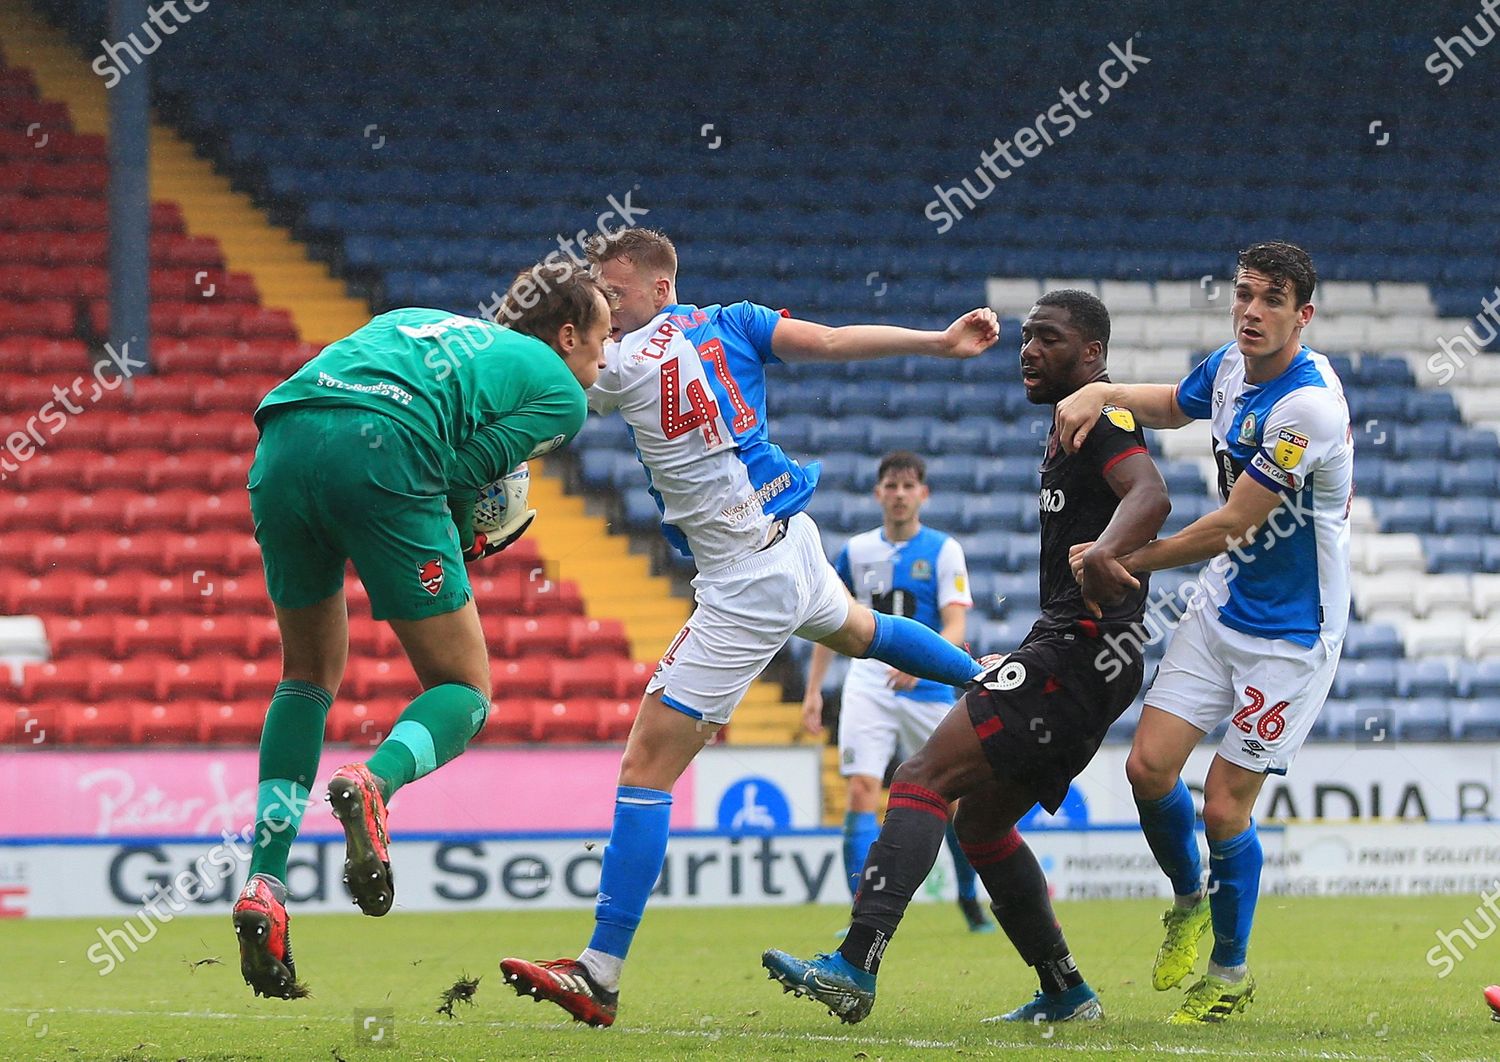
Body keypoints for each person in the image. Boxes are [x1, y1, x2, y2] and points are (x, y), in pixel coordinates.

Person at [500, 228, 999, 1027]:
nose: (603, 306)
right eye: (598, 292)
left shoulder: (620, 361)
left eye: (616, 292)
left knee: (645, 766)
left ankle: (600, 970)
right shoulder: (732, 319)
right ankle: (991, 679)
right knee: (860, 630)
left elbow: (545, 377)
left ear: (660, 290)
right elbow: (832, 341)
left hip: (743, 578)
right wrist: (937, 342)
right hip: (789, 536)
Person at [762, 289, 1171, 1026]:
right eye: (1026, 337)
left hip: (1080, 647)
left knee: (922, 776)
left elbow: (1151, 495)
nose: (1028, 350)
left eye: (1049, 339)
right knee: (980, 824)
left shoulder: (1102, 416)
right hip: (1090, 652)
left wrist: (1106, 552)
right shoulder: (1069, 423)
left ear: (1093, 356)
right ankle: (1066, 991)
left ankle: (854, 965)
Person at [231, 262, 612, 999]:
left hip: (282, 436)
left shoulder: (416, 317)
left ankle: (265, 883)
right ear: (568, 336)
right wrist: (467, 530)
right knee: (464, 687)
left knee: (305, 677)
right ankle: (373, 781)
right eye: (603, 343)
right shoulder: (562, 391)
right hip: (386, 450)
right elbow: (462, 465)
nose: (603, 362)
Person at [1055, 241, 1351, 1024]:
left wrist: (1123, 555)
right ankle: (1190, 898)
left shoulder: (1309, 407)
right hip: (1223, 609)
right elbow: (1169, 405)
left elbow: (1231, 523)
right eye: (1245, 295)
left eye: (1272, 301)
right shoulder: (1227, 365)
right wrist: (1102, 393)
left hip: (1292, 632)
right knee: (1149, 770)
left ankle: (1229, 969)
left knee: (1224, 809)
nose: (1252, 312)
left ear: (1303, 314)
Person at [802, 450, 992, 932]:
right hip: (868, 681)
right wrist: (813, 692)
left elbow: (955, 625)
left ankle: (969, 896)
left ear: (923, 494)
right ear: (878, 493)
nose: (900, 494)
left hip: (927, 687)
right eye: (892, 486)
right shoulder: (857, 550)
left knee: (952, 801)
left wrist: (920, 658)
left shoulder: (944, 550)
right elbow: (831, 621)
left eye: (909, 487)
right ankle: (859, 914)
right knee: (862, 789)